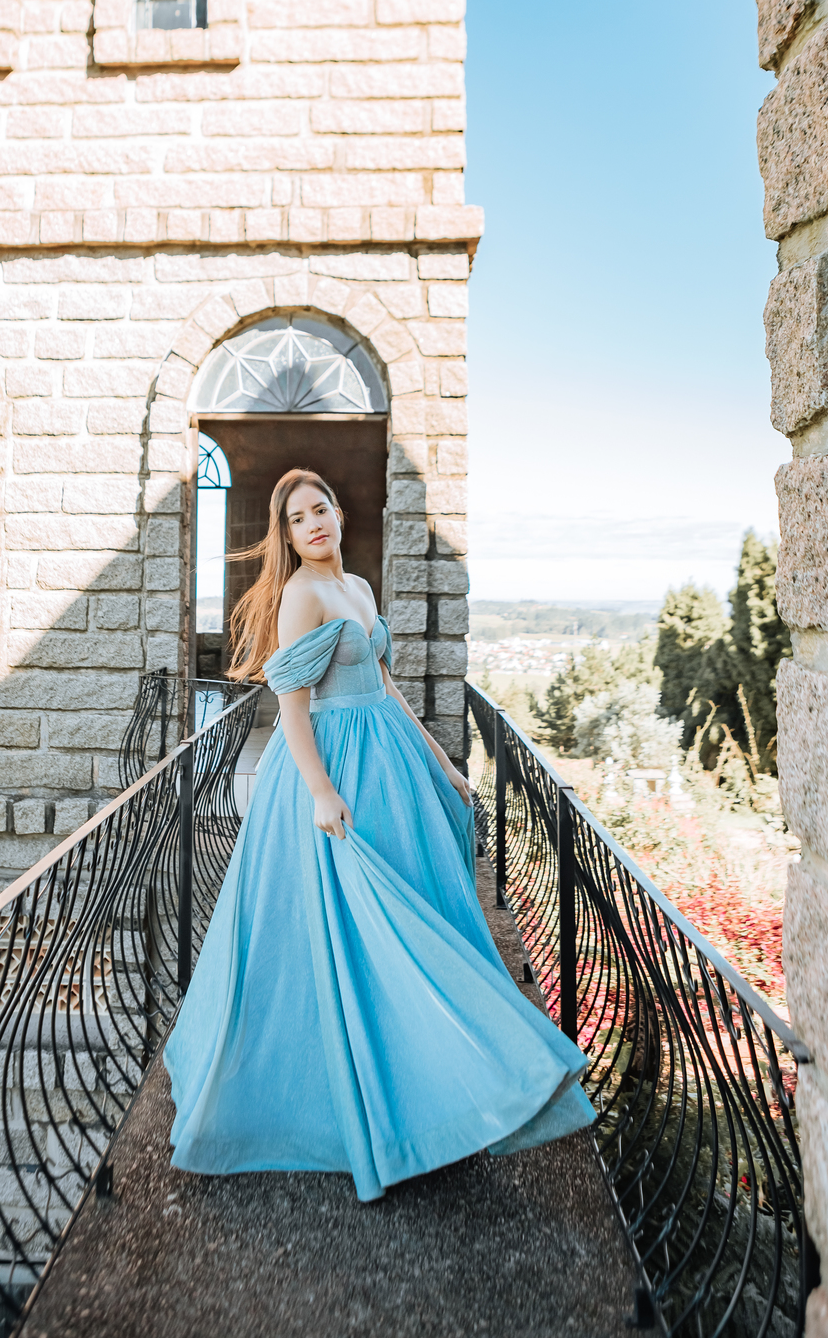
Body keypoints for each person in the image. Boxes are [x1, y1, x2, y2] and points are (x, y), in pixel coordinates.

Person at [163, 467, 594, 1203]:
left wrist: (442, 764)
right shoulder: (301, 596)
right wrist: (322, 793)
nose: (315, 523)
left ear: (338, 512)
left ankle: (428, 1081)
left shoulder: (358, 588)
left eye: (321, 507)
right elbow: (293, 710)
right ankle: (369, 1106)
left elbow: (387, 688)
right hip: (335, 772)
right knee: (359, 931)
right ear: (288, 534)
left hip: (388, 761)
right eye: (298, 518)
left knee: (413, 917)